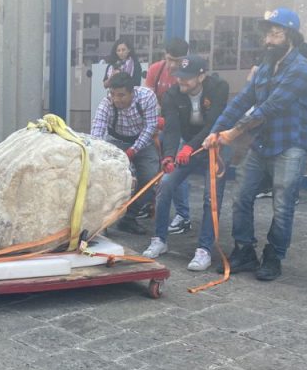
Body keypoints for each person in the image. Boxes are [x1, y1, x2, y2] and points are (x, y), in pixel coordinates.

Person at [203, 7, 307, 281]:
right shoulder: (265, 66)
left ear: (290, 36)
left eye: (275, 34)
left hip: (290, 144)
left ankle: (274, 256)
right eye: (267, 34)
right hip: (263, 142)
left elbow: (270, 107)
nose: (268, 40)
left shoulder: (300, 69)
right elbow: (243, 100)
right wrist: (215, 131)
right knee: (241, 196)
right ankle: (244, 250)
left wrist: (234, 133)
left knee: (283, 204)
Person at [141, 55, 230, 271]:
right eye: (179, 77)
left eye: (187, 78)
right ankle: (159, 239)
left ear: (201, 76)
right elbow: (171, 128)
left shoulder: (218, 88)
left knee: (211, 197)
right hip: (188, 145)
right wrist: (169, 155)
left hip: (216, 145)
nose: (182, 82)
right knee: (166, 184)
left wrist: (191, 146)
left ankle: (204, 249)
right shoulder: (172, 94)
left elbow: (214, 123)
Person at [90, 71, 159, 235]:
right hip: (116, 142)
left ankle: (129, 218)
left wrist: (134, 150)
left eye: (121, 95)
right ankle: (102, 222)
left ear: (132, 91)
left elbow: (150, 127)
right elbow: (97, 131)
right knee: (107, 179)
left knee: (150, 179)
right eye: (113, 94)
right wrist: (94, 153)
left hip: (143, 141)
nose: (116, 99)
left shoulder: (147, 97)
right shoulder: (107, 103)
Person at [144, 37, 192, 234]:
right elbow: (148, 100)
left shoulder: (189, 74)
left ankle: (183, 215)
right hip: (158, 124)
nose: (172, 65)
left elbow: (187, 111)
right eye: (169, 59)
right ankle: (148, 205)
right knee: (151, 165)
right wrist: (154, 123)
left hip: (180, 128)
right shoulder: (155, 69)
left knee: (176, 169)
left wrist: (163, 123)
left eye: (177, 60)